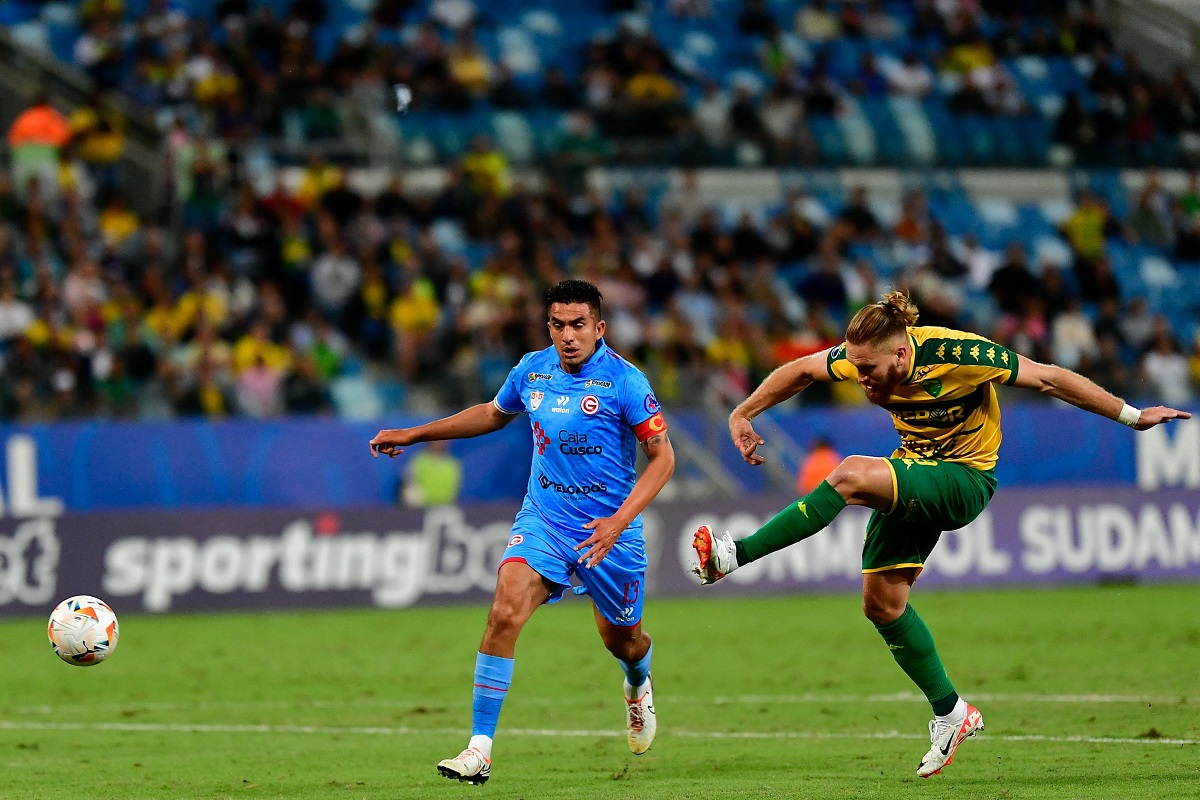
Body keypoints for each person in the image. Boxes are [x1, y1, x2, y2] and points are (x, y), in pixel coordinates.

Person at [690, 291, 1190, 779]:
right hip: (915, 469)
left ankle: (735, 555)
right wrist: (743, 412)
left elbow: (1051, 379)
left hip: (965, 478)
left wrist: (1132, 415)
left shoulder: (961, 354)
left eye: (868, 369)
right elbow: (801, 370)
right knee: (882, 603)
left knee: (849, 475)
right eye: (856, 367)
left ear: (903, 353)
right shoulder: (863, 357)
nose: (859, 379)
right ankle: (952, 714)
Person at [369, 279, 675, 785]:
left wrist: (620, 521)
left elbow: (663, 459)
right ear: (547, 327)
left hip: (609, 533)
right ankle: (479, 748)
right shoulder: (531, 371)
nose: (568, 335)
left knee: (623, 640)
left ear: (599, 328)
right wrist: (416, 432)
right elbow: (492, 414)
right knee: (504, 611)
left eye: (578, 325)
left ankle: (638, 683)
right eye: (558, 325)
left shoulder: (626, 383)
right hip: (544, 521)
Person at [401, 438, 463, 507]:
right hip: (421, 505)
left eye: (442, 440)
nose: (438, 443)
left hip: (445, 505)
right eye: (435, 440)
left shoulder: (452, 464)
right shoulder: (418, 460)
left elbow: (454, 489)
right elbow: (408, 481)